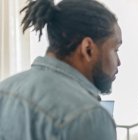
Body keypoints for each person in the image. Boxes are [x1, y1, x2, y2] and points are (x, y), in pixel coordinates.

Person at [0, 0, 122, 140]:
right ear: (88, 49)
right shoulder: (89, 116)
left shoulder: (4, 91)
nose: (119, 62)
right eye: (116, 49)